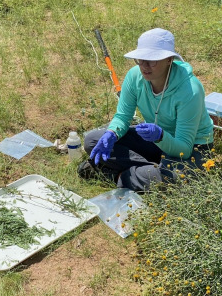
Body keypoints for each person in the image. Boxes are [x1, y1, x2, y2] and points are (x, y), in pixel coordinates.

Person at [79, 28, 214, 192]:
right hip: (155, 139)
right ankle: (147, 172)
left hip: (191, 147)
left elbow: (184, 150)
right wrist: (112, 133)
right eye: (140, 59)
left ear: (169, 59)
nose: (144, 66)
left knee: (180, 176)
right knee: (93, 140)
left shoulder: (190, 90)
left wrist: (160, 136)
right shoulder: (134, 76)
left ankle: (118, 175)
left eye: (152, 60)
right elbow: (122, 116)